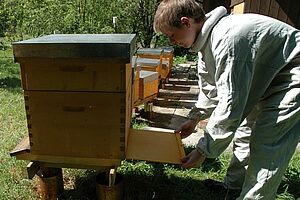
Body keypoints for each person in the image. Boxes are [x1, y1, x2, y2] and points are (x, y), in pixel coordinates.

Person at [153, 0, 300, 199]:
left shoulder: (228, 39)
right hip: (269, 77)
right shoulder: (205, 43)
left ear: (186, 22)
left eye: (172, 35)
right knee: (245, 134)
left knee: (267, 145)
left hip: (292, 77)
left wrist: (202, 150)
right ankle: (233, 188)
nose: (172, 42)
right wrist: (194, 118)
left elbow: (231, 105)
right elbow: (211, 88)